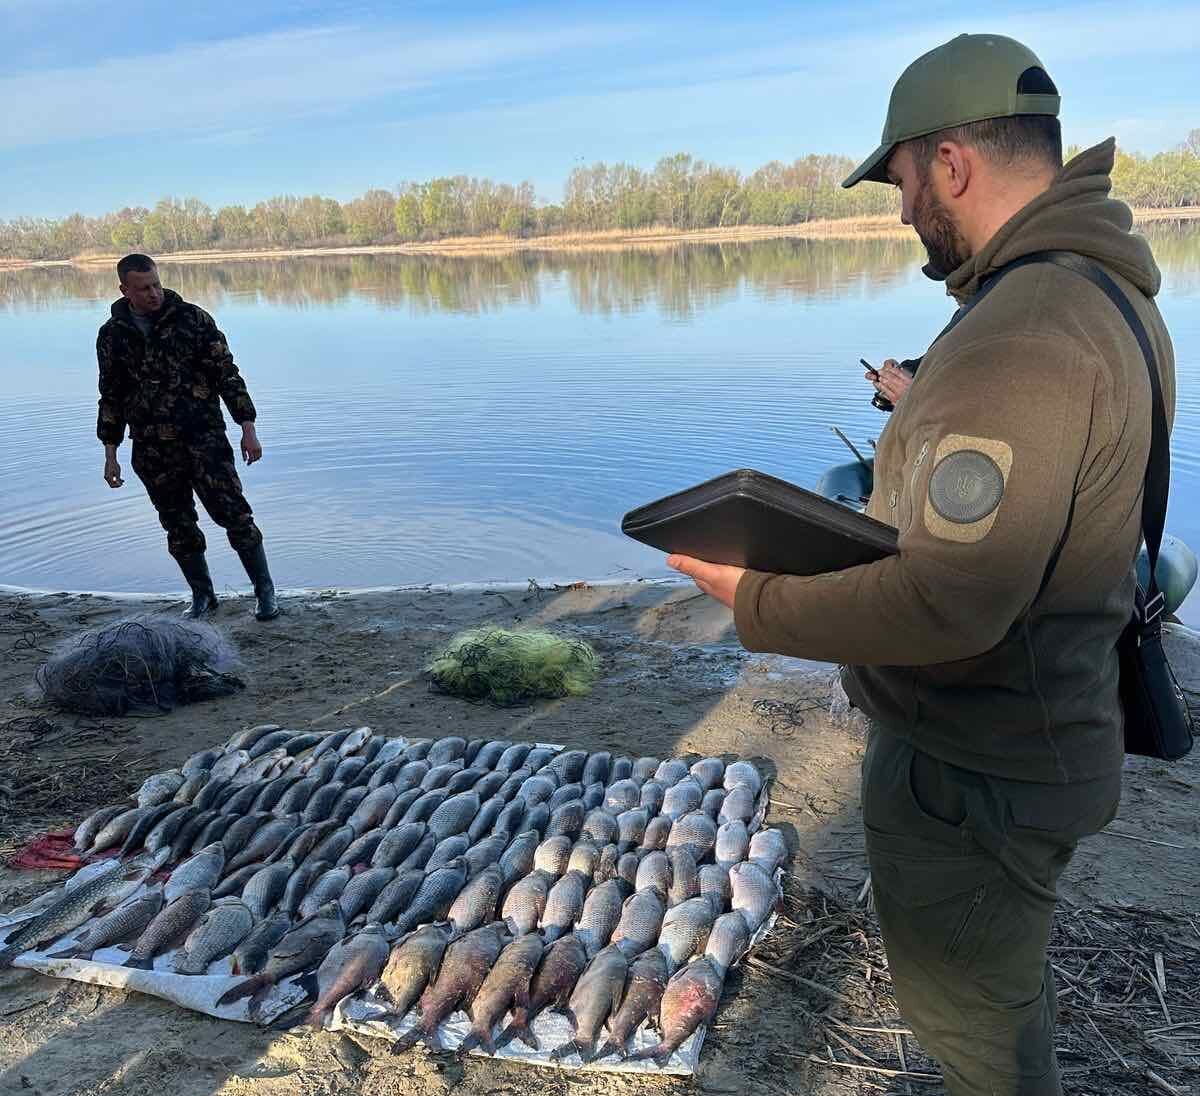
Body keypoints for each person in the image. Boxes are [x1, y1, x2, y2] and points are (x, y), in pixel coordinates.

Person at [668, 33, 1175, 1096]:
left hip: (978, 765)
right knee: (998, 991)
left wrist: (755, 598)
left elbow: (954, 601)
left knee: (974, 1025)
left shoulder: (1023, 328)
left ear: (951, 163)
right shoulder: (1105, 290)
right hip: (1031, 730)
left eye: (901, 181)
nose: (902, 213)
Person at [97, 253, 280, 621]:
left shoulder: (193, 320)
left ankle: (264, 591)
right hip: (151, 448)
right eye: (143, 288)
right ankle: (203, 596)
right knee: (177, 525)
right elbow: (111, 395)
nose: (153, 294)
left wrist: (248, 427)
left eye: (156, 285)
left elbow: (227, 375)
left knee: (235, 516)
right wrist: (111, 453)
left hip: (204, 440)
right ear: (125, 290)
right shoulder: (112, 335)